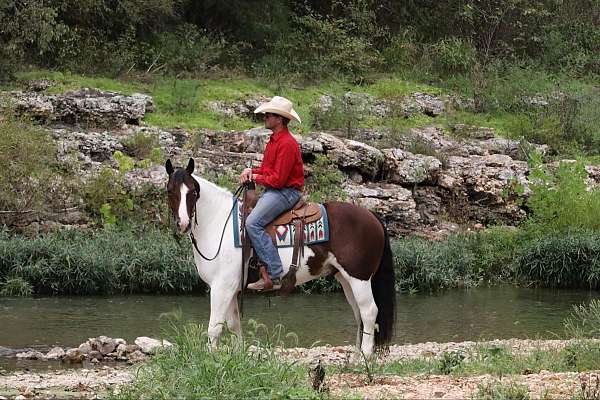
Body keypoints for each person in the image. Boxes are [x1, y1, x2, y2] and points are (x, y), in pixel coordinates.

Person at [239, 96, 304, 291]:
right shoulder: (274, 141)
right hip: (275, 190)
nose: (265, 117)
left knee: (252, 223)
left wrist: (255, 178)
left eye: (269, 114)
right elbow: (268, 170)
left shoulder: (287, 144)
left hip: (286, 192)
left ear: (280, 119)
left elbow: (278, 180)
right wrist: (251, 171)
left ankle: (276, 274)